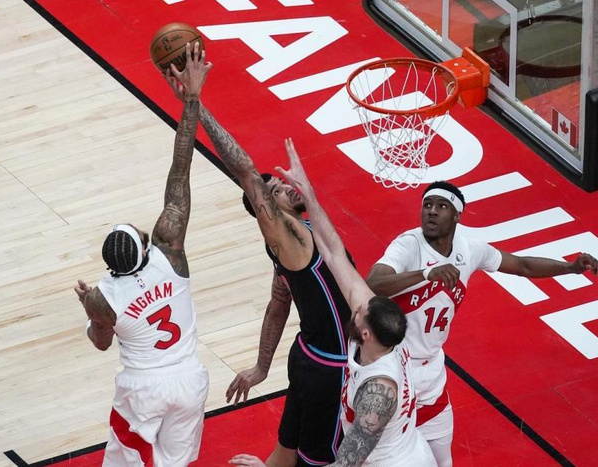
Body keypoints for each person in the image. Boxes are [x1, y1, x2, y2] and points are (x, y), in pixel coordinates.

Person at [175, 61, 352, 467]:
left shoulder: (291, 245)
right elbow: (245, 171)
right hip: (332, 364)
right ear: (268, 211)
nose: (285, 186)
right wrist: (195, 102)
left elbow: (277, 304)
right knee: (320, 460)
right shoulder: (290, 238)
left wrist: (260, 366)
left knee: (287, 449)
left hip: (306, 353)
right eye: (276, 191)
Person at [230, 138, 436, 467]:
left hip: (341, 390)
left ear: (365, 332)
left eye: (358, 312)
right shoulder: (291, 245)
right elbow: (332, 255)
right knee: (290, 448)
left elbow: (344, 464)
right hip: (314, 359)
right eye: (278, 190)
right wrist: (308, 191)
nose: (354, 307)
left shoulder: (377, 387)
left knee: (314, 458)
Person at [365, 180, 598, 466]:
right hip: (394, 367)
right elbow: (373, 283)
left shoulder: (470, 250)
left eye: (441, 206)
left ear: (457, 216)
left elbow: (522, 265)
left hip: (432, 372)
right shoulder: (408, 245)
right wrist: (425, 274)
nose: (432, 211)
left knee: (443, 462)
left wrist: (570, 268)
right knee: (378, 457)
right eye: (427, 205)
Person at [73, 43, 212, 467]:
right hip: (189, 379)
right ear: (145, 247)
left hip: (143, 388)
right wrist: (191, 99)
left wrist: (91, 312)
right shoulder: (170, 253)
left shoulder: (102, 296)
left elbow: (101, 343)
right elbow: (180, 169)